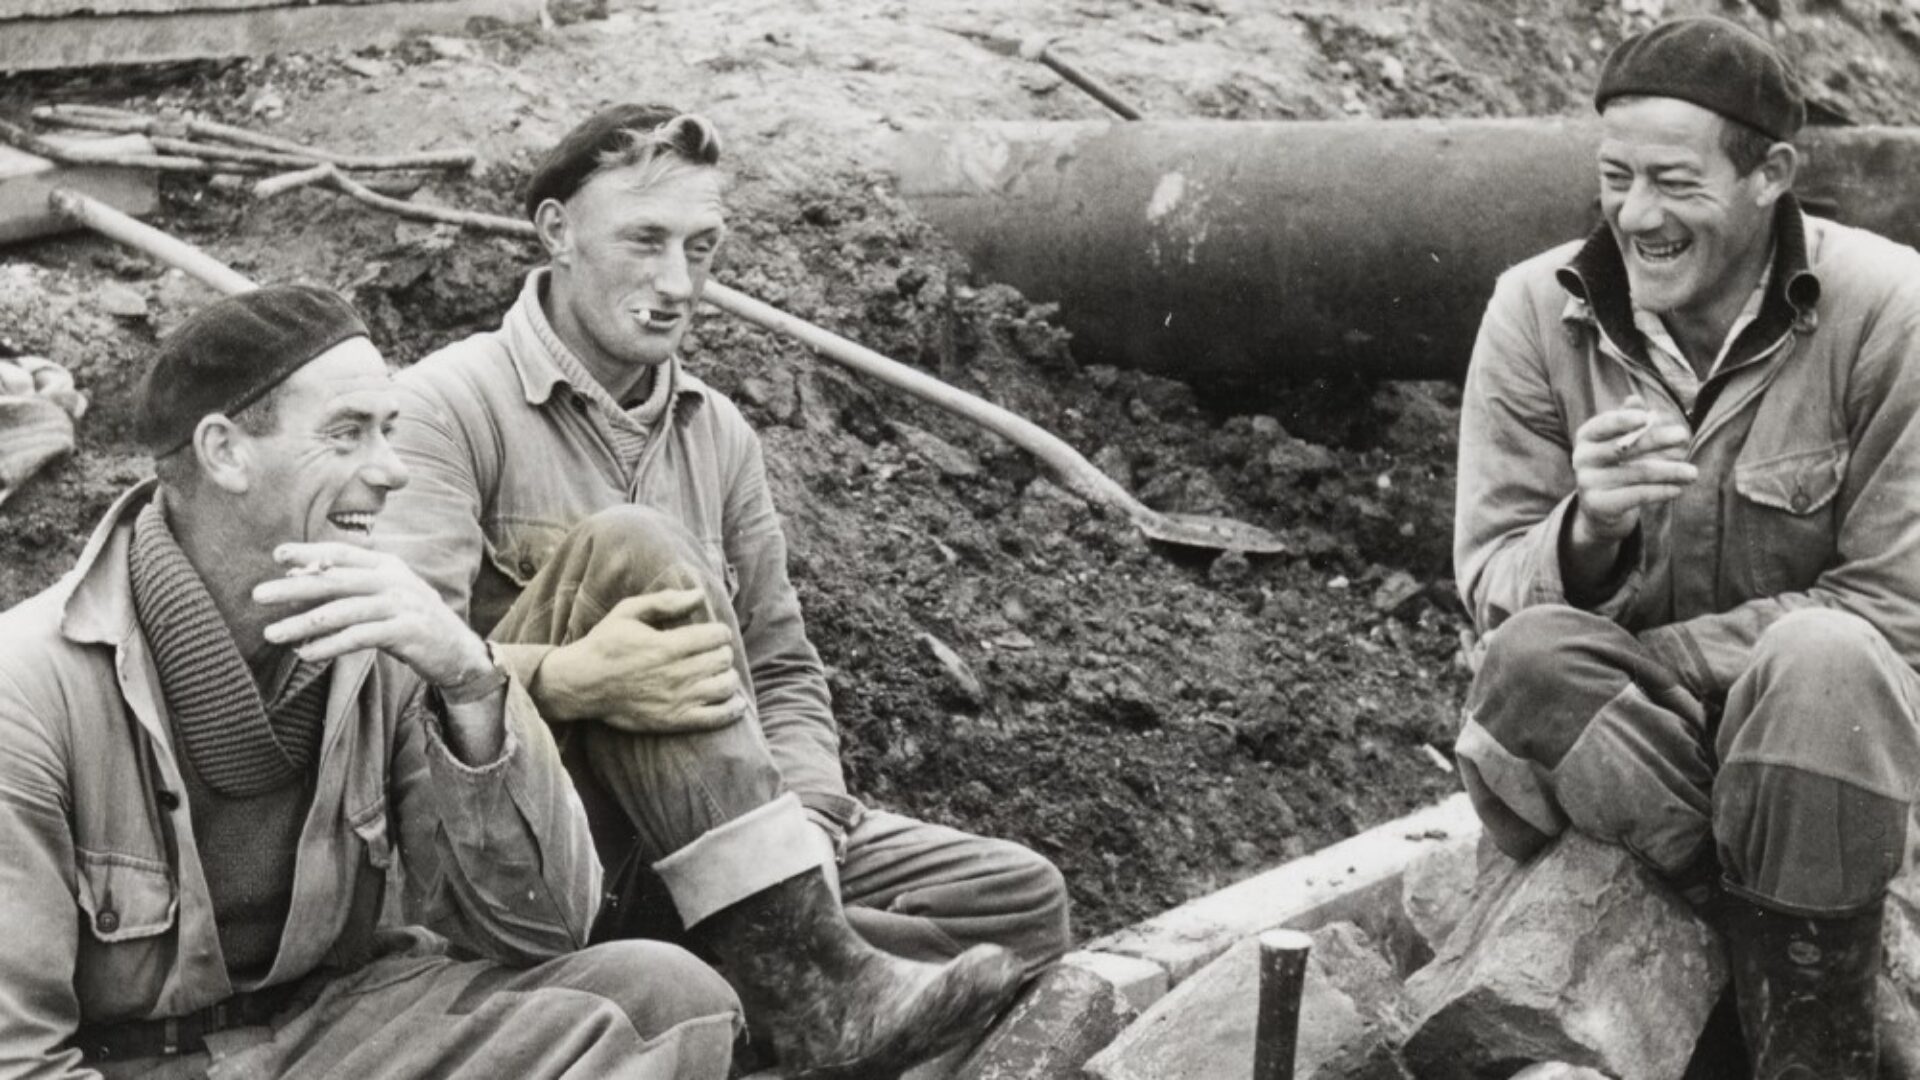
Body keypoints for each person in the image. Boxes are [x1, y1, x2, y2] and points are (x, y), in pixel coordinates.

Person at [375, 105, 1068, 1076]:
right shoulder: (449, 405)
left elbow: (782, 666)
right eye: (645, 241)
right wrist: (570, 679)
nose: (676, 283)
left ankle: (781, 971)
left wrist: (811, 837)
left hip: (725, 836)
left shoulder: (718, 434)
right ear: (556, 233)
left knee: (1017, 902)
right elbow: (393, 672)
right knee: (631, 549)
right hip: (547, 847)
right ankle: (798, 993)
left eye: (701, 248)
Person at [0, 285, 742, 1079]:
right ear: (224, 452)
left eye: (389, 432)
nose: (391, 471)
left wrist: (469, 679)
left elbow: (547, 932)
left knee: (665, 997)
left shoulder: (389, 633)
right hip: (147, 1064)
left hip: (347, 1029)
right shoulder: (30, 690)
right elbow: (18, 1059)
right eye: (348, 434)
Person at [1452, 16, 1920, 1078]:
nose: (1635, 215)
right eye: (1615, 177)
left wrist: (1662, 659)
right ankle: (1799, 974)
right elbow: (1490, 588)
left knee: (1826, 661)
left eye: (1673, 181)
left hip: (1830, 761)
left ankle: (1804, 1053)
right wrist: (1587, 530)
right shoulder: (1535, 311)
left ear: (1774, 175)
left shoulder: (1891, 312)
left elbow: (1898, 612)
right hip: (1633, 756)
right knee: (1528, 663)